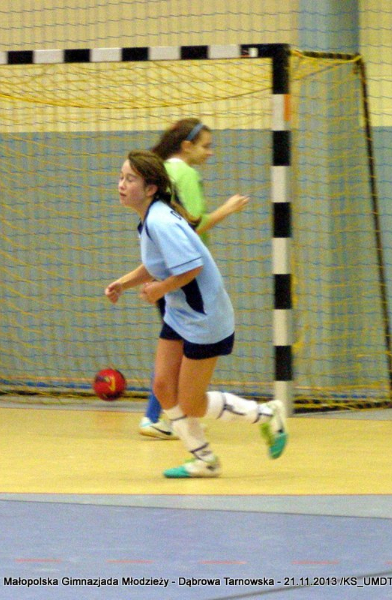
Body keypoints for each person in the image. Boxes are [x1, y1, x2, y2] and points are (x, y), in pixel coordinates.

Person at [105, 150, 287, 478]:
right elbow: (157, 264)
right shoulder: (151, 218)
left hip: (205, 318)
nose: (121, 184)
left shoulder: (160, 221)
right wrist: (124, 283)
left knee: (191, 403)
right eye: (121, 177)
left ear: (150, 188)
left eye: (130, 179)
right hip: (181, 314)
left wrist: (159, 290)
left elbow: (191, 267)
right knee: (163, 387)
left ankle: (266, 414)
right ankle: (204, 460)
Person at [139, 118, 249, 439]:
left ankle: (164, 417)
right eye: (206, 146)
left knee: (171, 350)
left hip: (167, 269)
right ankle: (163, 417)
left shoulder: (162, 171)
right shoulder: (184, 173)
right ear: (186, 146)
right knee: (182, 352)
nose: (210, 153)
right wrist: (227, 209)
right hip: (186, 276)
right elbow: (193, 225)